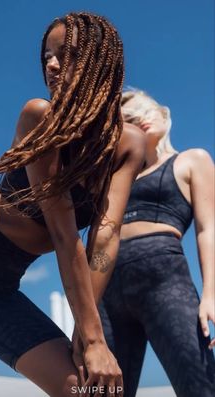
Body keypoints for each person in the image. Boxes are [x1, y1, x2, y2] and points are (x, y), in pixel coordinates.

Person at [0, 14, 146, 397]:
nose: (51, 65)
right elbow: (64, 231)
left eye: (65, 54)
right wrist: (92, 339)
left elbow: (106, 237)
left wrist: (85, 335)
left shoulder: (128, 145)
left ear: (99, 61)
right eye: (46, 57)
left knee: (91, 392)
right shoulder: (39, 115)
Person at [99, 89, 215, 397]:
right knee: (102, 391)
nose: (141, 119)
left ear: (164, 115)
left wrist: (210, 295)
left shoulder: (191, 160)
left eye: (146, 111)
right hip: (107, 286)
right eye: (130, 118)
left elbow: (208, 229)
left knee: (199, 383)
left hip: (164, 281)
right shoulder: (114, 176)